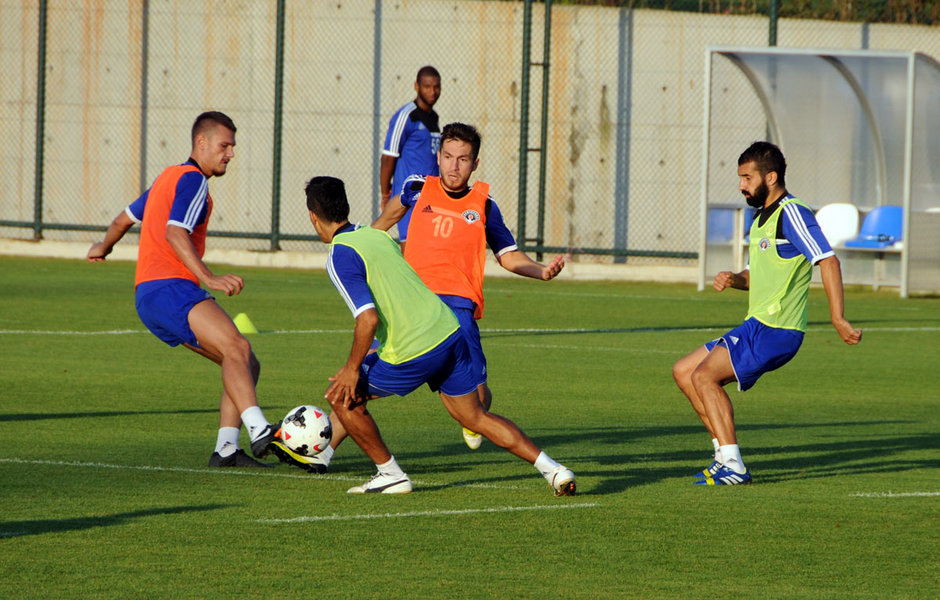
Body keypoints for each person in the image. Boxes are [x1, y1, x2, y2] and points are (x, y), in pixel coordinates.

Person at [302, 175, 575, 496]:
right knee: (475, 417)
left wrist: (351, 369)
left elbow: (368, 319)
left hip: (414, 347)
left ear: (313, 216)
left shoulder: (339, 255)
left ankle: (390, 474)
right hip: (448, 330)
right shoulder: (375, 236)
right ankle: (554, 470)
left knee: (341, 396)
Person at [86, 111, 283, 469]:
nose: (230, 154)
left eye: (233, 147)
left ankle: (226, 450)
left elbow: (122, 220)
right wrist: (209, 277)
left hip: (148, 297)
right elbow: (175, 232)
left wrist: (104, 246)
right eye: (225, 146)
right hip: (171, 288)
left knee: (243, 362)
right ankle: (260, 430)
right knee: (238, 348)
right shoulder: (193, 180)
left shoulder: (168, 177)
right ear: (201, 142)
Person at [672, 141, 863, 485]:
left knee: (704, 377)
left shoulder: (792, 213)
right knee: (685, 371)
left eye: (747, 178)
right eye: (740, 178)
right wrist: (734, 278)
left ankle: (734, 465)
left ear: (770, 177)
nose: (741, 185)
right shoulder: (762, 219)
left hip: (777, 328)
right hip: (757, 325)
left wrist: (838, 317)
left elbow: (828, 260)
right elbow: (755, 275)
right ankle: (723, 458)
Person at [379, 65, 442, 246]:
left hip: (431, 195)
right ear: (416, 86)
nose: (433, 92)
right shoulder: (406, 116)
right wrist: (385, 193)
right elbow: (388, 157)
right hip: (410, 195)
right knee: (410, 247)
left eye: (436, 87)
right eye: (427, 86)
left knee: (428, 250)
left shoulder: (434, 117)